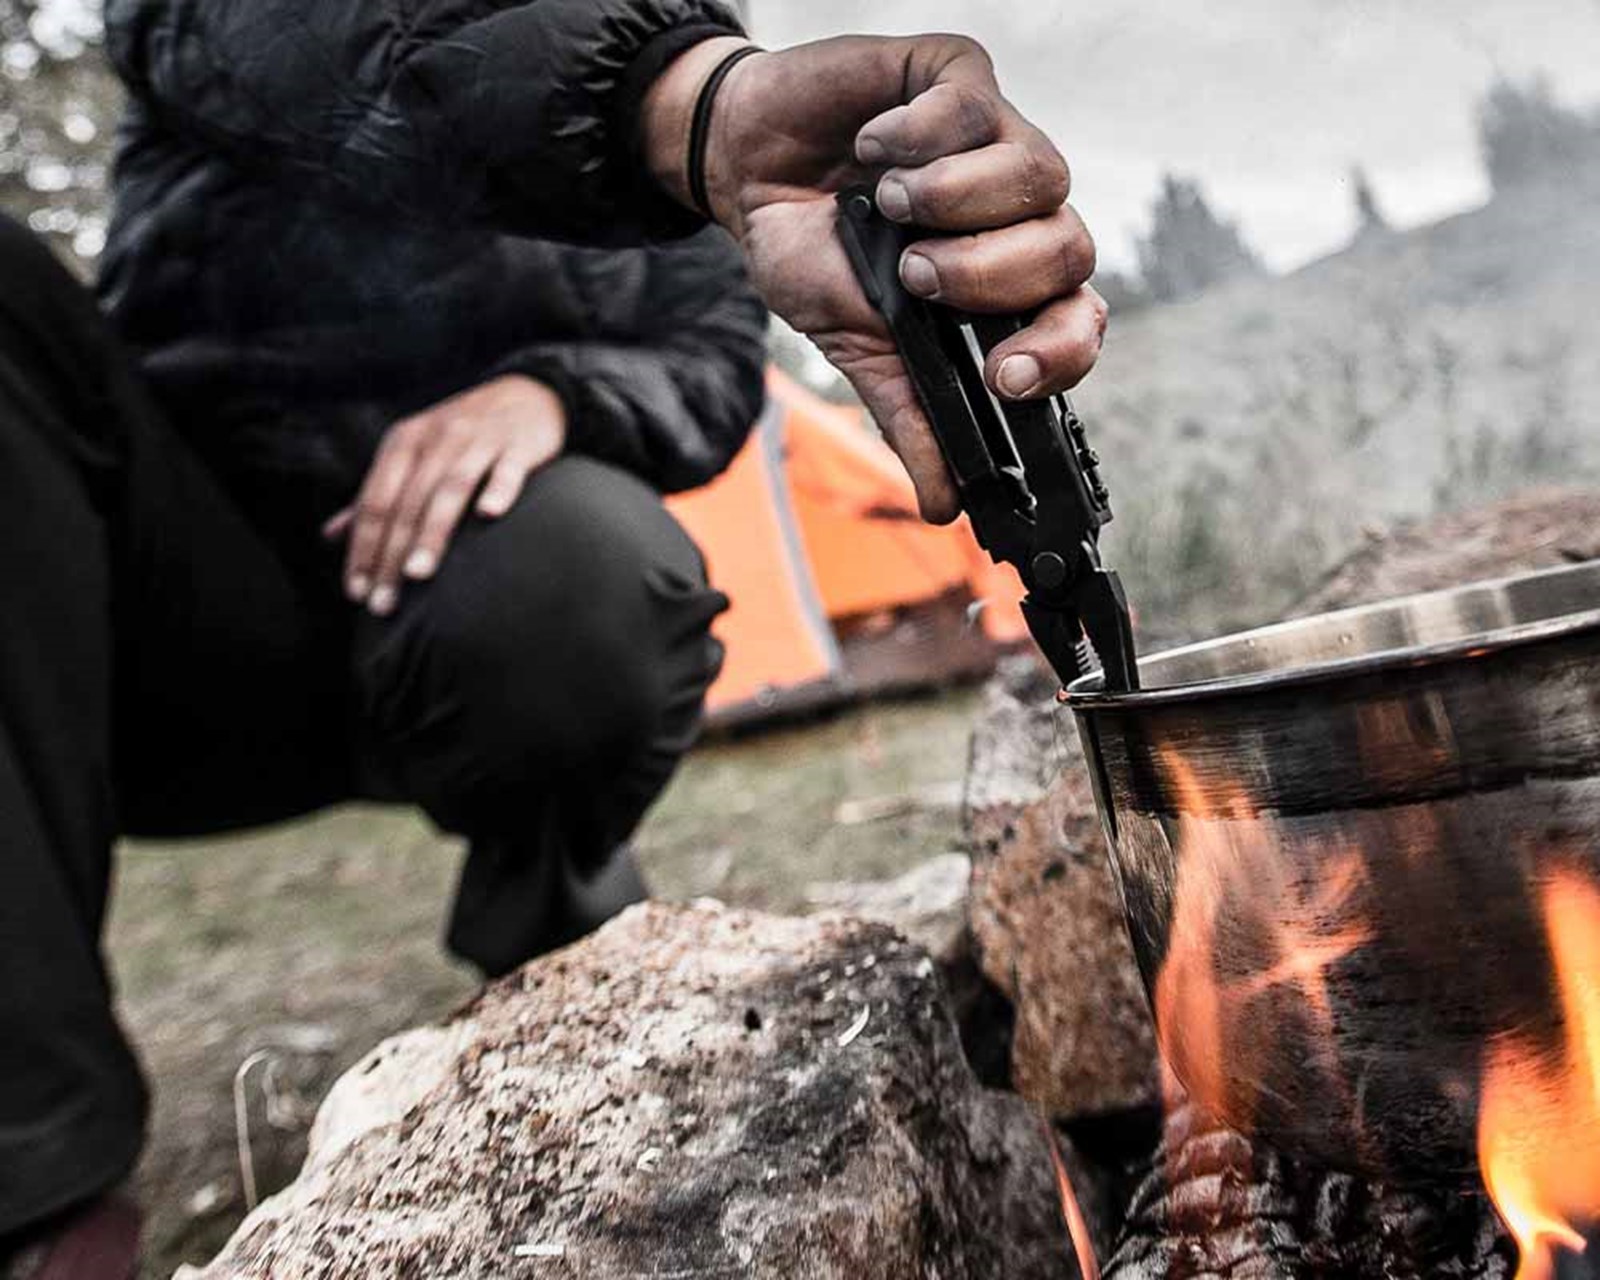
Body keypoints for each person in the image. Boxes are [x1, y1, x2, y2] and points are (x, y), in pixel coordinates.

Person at [0, 2, 1105, 1274]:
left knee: (599, 576)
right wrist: (672, 103)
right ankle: (41, 1182)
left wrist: (557, 393)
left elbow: (702, 363)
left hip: (465, 615)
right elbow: (300, 43)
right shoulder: (643, 56)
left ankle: (553, 958)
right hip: (180, 605)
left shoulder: (669, 20)